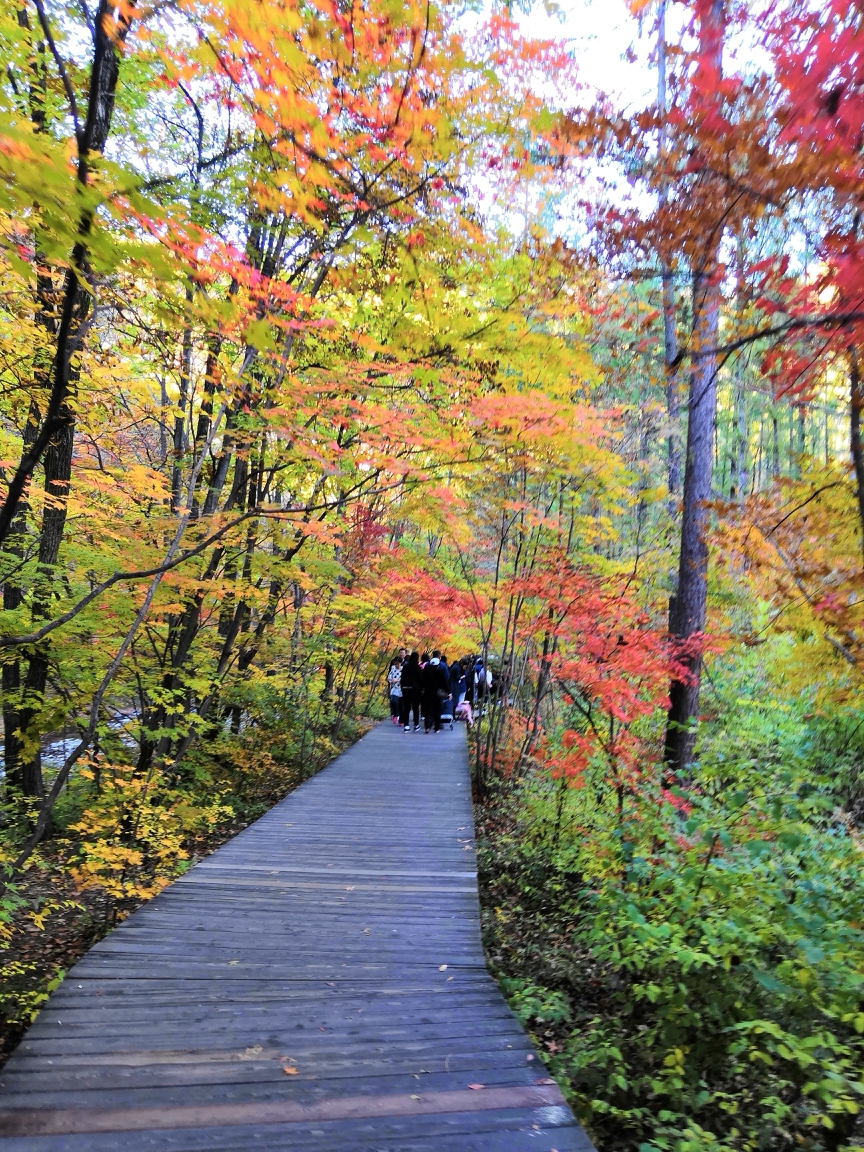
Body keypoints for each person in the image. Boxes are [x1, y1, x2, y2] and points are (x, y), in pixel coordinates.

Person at [421, 650, 450, 733]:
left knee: (428, 711)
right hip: (438, 693)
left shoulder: (425, 672)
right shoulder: (440, 672)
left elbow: (422, 682)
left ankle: (427, 727)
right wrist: (448, 692)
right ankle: (436, 728)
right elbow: (445, 682)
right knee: (437, 710)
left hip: (427, 693)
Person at [399, 651, 421, 731]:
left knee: (406, 708)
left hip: (406, 689)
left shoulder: (405, 667)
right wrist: (421, 689)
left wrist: (402, 687)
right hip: (415, 690)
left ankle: (406, 725)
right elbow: (420, 680)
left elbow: (402, 678)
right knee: (415, 708)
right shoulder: (418, 668)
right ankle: (416, 724)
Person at [387, 657, 403, 724]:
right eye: (396, 664)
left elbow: (403, 677)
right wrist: (390, 679)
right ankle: (396, 715)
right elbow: (389, 676)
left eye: (398, 664)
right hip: (394, 688)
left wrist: (397, 680)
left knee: (401, 704)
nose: (397, 665)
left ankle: (401, 719)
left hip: (401, 688)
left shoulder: (403, 669)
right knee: (394, 701)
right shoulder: (393, 668)